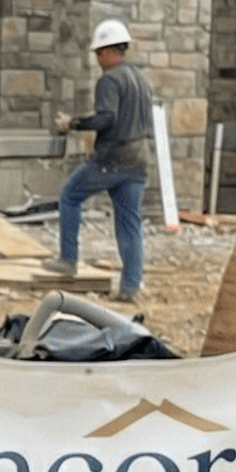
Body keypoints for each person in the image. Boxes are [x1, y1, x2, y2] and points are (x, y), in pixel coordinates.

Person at [53, 17, 153, 304]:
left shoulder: (110, 79)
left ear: (109, 51)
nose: (97, 59)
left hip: (114, 157)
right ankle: (130, 287)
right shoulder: (140, 79)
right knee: (130, 223)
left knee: (70, 195)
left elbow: (107, 118)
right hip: (139, 159)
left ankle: (68, 259)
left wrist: (73, 123)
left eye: (99, 53)